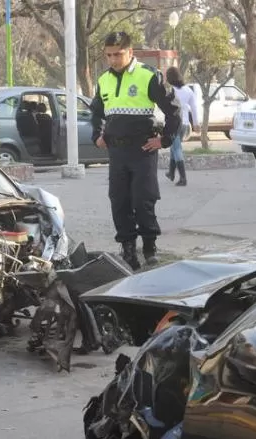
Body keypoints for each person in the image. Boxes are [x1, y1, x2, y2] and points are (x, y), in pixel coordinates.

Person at [90, 31, 181, 269]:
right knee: (119, 201)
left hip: (142, 150)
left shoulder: (148, 76)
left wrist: (165, 139)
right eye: (108, 55)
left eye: (118, 54)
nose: (112, 60)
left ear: (130, 52)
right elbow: (97, 112)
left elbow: (173, 110)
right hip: (117, 152)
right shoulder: (104, 80)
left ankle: (149, 247)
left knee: (143, 199)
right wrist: (97, 134)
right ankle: (128, 249)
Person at [164, 67, 199, 187]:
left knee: (177, 149)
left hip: (174, 123)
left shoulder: (170, 91)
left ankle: (183, 178)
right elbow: (194, 108)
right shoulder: (188, 90)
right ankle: (171, 173)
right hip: (184, 124)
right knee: (174, 147)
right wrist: (196, 123)